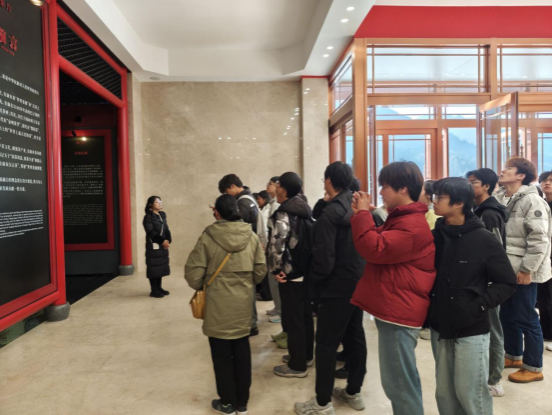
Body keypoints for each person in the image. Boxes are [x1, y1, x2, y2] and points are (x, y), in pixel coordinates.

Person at [350, 161, 436, 415]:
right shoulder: (404, 219)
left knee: (399, 384)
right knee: (400, 380)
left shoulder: (411, 225)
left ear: (402, 188)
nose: (381, 192)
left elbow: (375, 248)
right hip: (397, 307)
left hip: (400, 311)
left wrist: (362, 215)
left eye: (384, 186)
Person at [429, 177, 517, 415]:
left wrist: (478, 304)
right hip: (440, 325)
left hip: (471, 328)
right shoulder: (435, 236)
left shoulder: (483, 238)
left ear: (459, 203)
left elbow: (507, 282)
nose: (434, 201)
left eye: (440, 197)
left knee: (471, 393)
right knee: (444, 393)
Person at [295, 162, 367, 415]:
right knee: (355, 336)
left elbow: (324, 259)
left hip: (336, 287)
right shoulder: (356, 208)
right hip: (358, 282)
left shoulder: (330, 214)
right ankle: (353, 392)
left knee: (326, 344)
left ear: (328, 181)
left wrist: (314, 282)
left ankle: (322, 402)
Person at [184, 194, 266, 415]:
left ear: (217, 213)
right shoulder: (251, 237)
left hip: (217, 306)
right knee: (242, 352)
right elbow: (260, 271)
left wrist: (205, 284)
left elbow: (193, 274)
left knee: (221, 356)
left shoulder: (208, 237)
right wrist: (245, 282)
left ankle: (227, 403)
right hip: (243, 306)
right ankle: (242, 403)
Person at [495, 156, 552, 383]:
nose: (503, 171)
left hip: (524, 270)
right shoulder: (501, 197)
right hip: (506, 268)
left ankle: (534, 366)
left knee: (527, 317)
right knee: (507, 314)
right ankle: (513, 355)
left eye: (509, 168)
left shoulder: (532, 200)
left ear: (521, 175)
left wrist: (528, 270)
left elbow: (539, 239)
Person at [465, 168, 509, 397]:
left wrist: (491, 281)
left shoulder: (489, 213)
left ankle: (494, 380)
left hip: (489, 281)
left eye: (474, 182)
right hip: (480, 279)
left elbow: (495, 251)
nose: (469, 185)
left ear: (487, 186)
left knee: (493, 329)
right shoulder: (478, 209)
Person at [268, 172, 315, 378]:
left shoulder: (284, 213)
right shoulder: (304, 208)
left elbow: (277, 244)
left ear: (284, 189)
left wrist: (276, 269)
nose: (276, 188)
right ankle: (305, 356)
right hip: (305, 271)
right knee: (304, 316)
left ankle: (297, 366)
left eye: (278, 185)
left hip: (290, 272)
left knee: (294, 319)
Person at [218, 174, 265, 336]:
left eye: (226, 192)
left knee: (247, 289)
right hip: (251, 249)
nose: (227, 196)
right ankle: (250, 322)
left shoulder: (243, 203)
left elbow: (237, 227)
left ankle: (251, 324)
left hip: (246, 250)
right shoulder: (249, 199)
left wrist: (222, 214)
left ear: (232, 186)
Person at [143, 196, 172, 298]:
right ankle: (153, 290)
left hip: (162, 245)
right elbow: (150, 231)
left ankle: (159, 287)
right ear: (150, 205)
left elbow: (166, 229)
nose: (159, 203)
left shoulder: (162, 215)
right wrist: (162, 241)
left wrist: (168, 240)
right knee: (153, 267)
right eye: (156, 202)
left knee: (160, 266)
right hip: (153, 246)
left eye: (160, 201)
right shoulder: (148, 217)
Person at [266, 176, 285, 330]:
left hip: (276, 248)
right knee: (272, 282)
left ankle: (280, 310)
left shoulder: (278, 205)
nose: (269, 186)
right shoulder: (271, 203)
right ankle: (277, 306)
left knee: (277, 282)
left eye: (272, 184)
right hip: (270, 246)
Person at [538, 171, 552, 353]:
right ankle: (546, 330)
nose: (547, 183)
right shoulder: (540, 204)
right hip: (543, 254)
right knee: (543, 295)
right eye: (544, 180)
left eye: (551, 180)